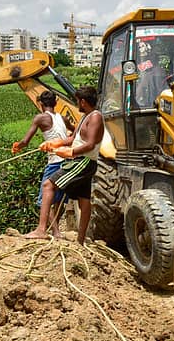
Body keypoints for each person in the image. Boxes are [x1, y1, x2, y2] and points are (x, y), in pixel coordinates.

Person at [25, 86, 104, 245]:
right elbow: (72, 138)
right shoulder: (85, 117)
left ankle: (41, 230)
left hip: (83, 161)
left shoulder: (95, 117)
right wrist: (54, 144)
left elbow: (90, 144)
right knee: (84, 199)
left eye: (77, 101)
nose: (77, 104)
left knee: (48, 185)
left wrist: (70, 153)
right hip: (82, 161)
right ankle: (80, 241)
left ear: (83, 101)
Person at [11, 90, 73, 237]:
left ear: (40, 103)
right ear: (56, 103)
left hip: (54, 162)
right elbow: (75, 131)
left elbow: (25, 141)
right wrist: (68, 139)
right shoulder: (63, 118)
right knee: (59, 200)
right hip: (67, 162)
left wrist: (17, 146)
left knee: (44, 197)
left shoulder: (40, 118)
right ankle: (55, 231)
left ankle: (47, 231)